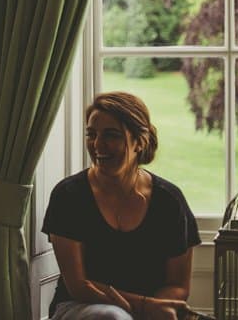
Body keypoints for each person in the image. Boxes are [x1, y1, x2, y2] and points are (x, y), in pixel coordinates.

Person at [42, 92, 200, 320]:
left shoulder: (169, 201)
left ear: (140, 142)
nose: (97, 145)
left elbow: (178, 284)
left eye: (111, 135)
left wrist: (154, 309)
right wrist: (144, 307)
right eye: (91, 134)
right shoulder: (68, 195)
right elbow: (79, 285)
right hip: (79, 307)